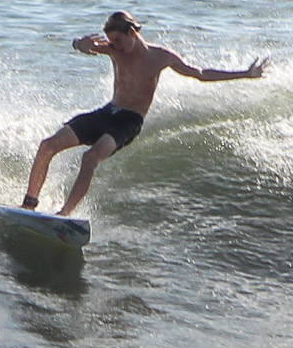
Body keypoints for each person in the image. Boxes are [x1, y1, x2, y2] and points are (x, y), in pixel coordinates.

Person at [20, 11, 268, 216]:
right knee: (47, 145)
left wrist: (246, 74)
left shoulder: (160, 57)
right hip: (108, 111)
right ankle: (28, 205)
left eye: (118, 41)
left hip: (128, 121)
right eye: (112, 42)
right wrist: (79, 44)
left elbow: (201, 74)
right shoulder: (114, 49)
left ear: (133, 32)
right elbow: (84, 46)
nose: (114, 47)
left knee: (90, 158)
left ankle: (64, 215)